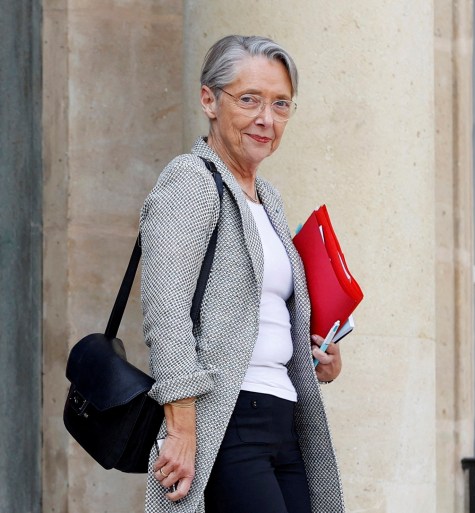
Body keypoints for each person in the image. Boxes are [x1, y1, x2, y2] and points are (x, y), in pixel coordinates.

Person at [140, 35, 345, 513]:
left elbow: (261, 311)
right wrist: (181, 425)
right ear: (209, 100)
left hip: (285, 418)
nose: (266, 119)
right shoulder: (191, 180)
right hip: (228, 419)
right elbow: (165, 308)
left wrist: (319, 353)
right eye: (249, 99)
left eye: (281, 104)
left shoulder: (268, 199)